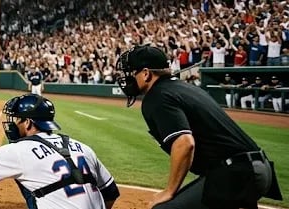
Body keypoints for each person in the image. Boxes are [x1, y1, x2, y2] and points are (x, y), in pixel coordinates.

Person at [115, 45, 282, 209]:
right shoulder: (186, 88)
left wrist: (169, 191)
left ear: (146, 74)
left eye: (131, 73)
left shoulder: (157, 96)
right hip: (259, 168)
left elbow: (185, 144)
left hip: (237, 173)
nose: (127, 78)